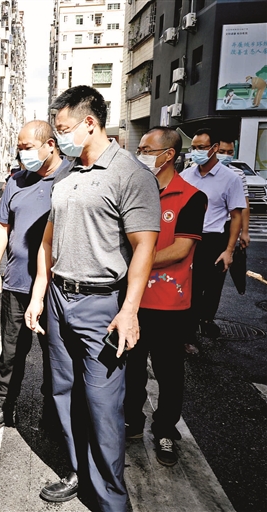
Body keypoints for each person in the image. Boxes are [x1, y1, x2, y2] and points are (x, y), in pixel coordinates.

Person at [24, 85, 160, 511]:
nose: (60, 137)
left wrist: (130, 311)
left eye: (63, 128)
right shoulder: (68, 175)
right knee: (63, 394)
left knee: (103, 407)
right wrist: (38, 294)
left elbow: (144, 247)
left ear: (89, 122)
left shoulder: (130, 174)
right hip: (60, 299)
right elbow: (48, 241)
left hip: (101, 304)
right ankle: (76, 472)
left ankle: (109, 500)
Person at [0, 120, 69, 432]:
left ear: (50, 145)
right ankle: (5, 406)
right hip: (18, 282)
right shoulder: (16, 181)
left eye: (27, 147)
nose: (21, 153)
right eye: (19, 147)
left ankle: (54, 413)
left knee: (55, 355)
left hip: (57, 288)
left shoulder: (71, 178)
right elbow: (3, 227)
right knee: (12, 351)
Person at [124, 127, 207, 467]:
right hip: (133, 300)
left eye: (146, 148)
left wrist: (136, 263)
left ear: (168, 154)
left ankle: (165, 430)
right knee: (130, 368)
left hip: (170, 304)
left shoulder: (190, 197)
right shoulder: (134, 191)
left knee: (169, 372)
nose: (139, 153)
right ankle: (131, 421)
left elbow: (181, 248)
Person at [180, 128, 246, 342]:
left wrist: (229, 250)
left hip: (212, 240)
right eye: (194, 148)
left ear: (214, 149)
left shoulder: (230, 179)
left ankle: (195, 331)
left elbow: (236, 215)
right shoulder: (186, 175)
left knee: (205, 288)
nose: (196, 152)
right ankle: (184, 333)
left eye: (202, 148)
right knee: (185, 287)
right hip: (186, 239)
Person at [216, 136, 250, 248]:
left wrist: (244, 232)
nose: (225, 155)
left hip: (226, 224)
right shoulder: (197, 171)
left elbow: (244, 204)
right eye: (222, 152)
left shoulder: (238, 174)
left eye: (230, 152)